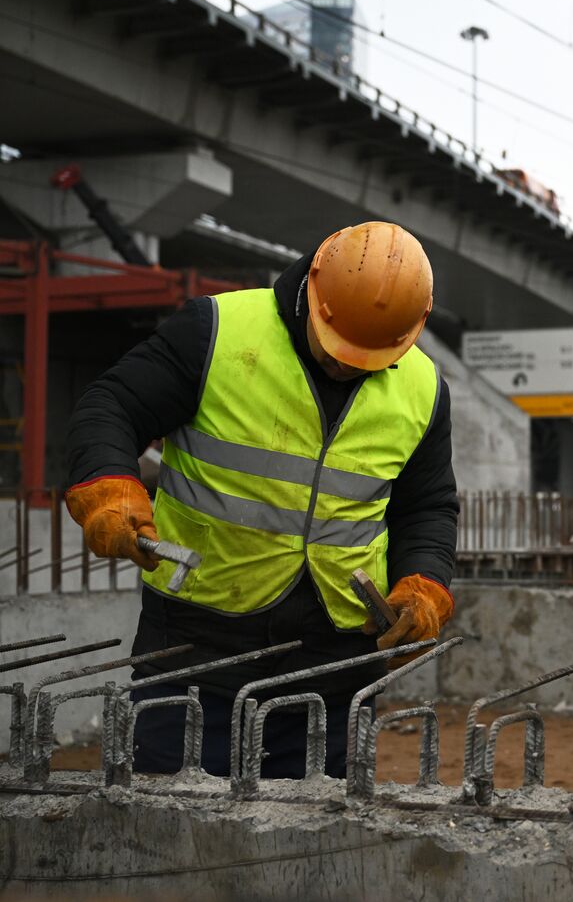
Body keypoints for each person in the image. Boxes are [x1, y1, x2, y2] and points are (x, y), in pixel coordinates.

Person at [64, 221, 458, 778]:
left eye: (368, 357)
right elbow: (112, 406)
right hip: (197, 654)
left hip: (336, 670)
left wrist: (425, 584)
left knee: (316, 852)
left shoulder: (424, 389)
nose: (347, 364)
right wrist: (108, 489)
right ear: (313, 287)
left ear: (416, 327)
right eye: (337, 346)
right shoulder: (217, 331)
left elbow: (428, 506)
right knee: (171, 835)